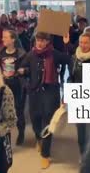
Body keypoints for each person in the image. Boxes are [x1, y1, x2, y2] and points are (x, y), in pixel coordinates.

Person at [19, 31, 71, 169]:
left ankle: (45, 154)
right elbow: (21, 70)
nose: (40, 42)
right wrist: (26, 84)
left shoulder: (54, 54)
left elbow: (68, 59)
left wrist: (66, 45)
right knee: (35, 118)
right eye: (38, 40)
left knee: (48, 121)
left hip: (51, 92)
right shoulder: (30, 55)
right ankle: (39, 138)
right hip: (35, 92)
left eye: (43, 40)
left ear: (48, 42)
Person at [0, 29, 27, 145]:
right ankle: (5, 134)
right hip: (5, 85)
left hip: (18, 86)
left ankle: (21, 133)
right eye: (3, 37)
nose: (3, 39)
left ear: (13, 39)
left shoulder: (21, 54)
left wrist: (23, 71)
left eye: (5, 37)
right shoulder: (1, 53)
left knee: (19, 110)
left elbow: (27, 68)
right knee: (4, 111)